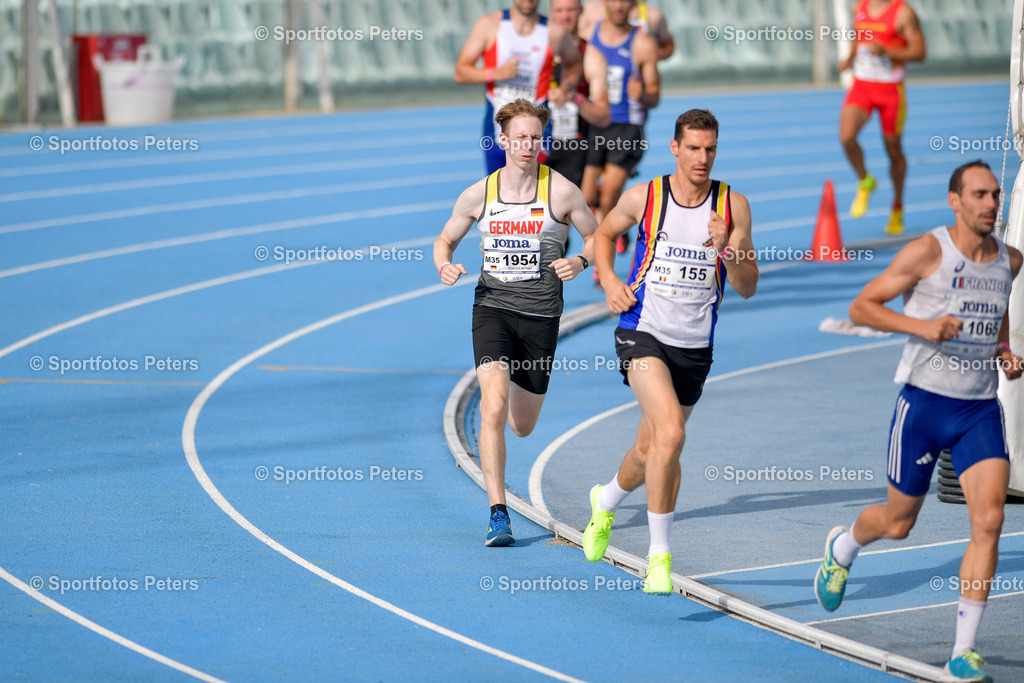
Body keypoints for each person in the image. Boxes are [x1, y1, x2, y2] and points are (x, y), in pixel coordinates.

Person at [814, 161, 1022, 681]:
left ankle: (963, 652)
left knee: (990, 521)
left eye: (995, 195)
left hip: (979, 410)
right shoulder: (929, 251)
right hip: (924, 407)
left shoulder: (1010, 260)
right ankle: (843, 548)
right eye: (978, 195)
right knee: (899, 522)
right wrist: (923, 327)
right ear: (955, 201)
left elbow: (996, 309)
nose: (990, 204)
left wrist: (1003, 350)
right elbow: (863, 307)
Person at [580, 109, 758, 592]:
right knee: (672, 434)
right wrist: (611, 280)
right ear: (675, 148)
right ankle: (658, 558)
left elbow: (747, 287)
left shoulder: (732, 206)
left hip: (695, 345)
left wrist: (729, 250)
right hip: (642, 330)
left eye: (711, 149)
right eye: (694, 148)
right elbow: (603, 234)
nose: (703, 158)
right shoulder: (645, 196)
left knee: (649, 449)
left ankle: (606, 503)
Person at [434, 99, 599, 546]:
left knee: (521, 425)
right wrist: (445, 263)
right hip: (492, 308)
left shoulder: (562, 192)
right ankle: (498, 513)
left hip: (541, 317)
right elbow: (444, 239)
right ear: (502, 140)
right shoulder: (479, 194)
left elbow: (600, 236)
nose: (528, 145)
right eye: (520, 137)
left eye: (535, 137)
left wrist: (581, 261)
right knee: (491, 406)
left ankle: (509, 409)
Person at [580, 0, 660, 282]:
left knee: (609, 193)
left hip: (628, 127)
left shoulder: (643, 44)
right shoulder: (589, 32)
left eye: (623, 2)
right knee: (587, 197)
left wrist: (643, 94)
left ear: (632, 5)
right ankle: (622, 227)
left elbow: (655, 96)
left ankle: (604, 268)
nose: (617, 7)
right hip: (597, 123)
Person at [454, 0, 579, 174]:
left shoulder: (555, 32)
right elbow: (461, 72)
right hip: (498, 126)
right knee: (498, 194)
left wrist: (565, 87)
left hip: (538, 127)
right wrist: (495, 73)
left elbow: (574, 63)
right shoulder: (490, 25)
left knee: (532, 190)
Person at [838, 0, 925, 235]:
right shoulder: (860, 7)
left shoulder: (903, 13)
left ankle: (897, 206)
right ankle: (865, 181)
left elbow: (920, 52)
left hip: (890, 89)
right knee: (847, 138)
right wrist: (850, 58)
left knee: (893, 150)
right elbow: (859, 37)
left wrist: (887, 51)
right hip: (862, 86)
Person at [546, 0, 611, 190]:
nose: (565, 16)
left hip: (573, 146)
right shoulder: (537, 50)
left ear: (581, 11)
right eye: (559, 10)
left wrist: (575, 98)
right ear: (551, 12)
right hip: (535, 143)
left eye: (570, 10)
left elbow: (603, 116)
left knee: (563, 213)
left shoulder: (591, 55)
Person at [577, 0, 675, 61]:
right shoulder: (590, 11)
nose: (619, 7)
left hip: (640, 83)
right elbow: (575, 44)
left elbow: (668, 44)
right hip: (602, 80)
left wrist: (657, 54)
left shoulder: (653, 16)